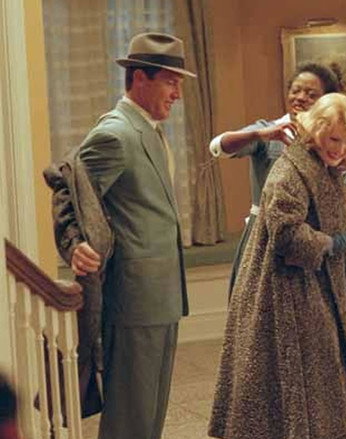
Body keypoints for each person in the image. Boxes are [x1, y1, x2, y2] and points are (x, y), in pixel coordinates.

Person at [208, 93, 346, 439]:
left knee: (327, 380)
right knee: (297, 388)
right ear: (316, 131)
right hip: (287, 291)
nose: (340, 149)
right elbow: (287, 235)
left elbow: (330, 224)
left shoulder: (325, 168)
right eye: (334, 139)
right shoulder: (290, 169)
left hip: (318, 287)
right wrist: (339, 243)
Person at [66, 32, 194, 439]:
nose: (177, 94)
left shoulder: (149, 129)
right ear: (140, 78)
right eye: (170, 82)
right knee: (131, 414)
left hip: (160, 294)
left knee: (150, 412)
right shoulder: (116, 133)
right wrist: (74, 244)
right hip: (134, 297)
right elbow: (68, 189)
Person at [208, 63, 346, 295]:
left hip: (314, 240)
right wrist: (259, 134)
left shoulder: (330, 143)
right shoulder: (269, 130)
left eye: (311, 94)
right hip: (269, 234)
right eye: (296, 90)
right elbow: (218, 146)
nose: (300, 97)